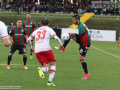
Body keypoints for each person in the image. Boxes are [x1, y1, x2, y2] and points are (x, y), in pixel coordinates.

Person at [27, 19, 63, 86]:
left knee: (46, 66)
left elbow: (29, 39)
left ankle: (42, 70)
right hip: (46, 49)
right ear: (48, 24)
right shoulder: (49, 29)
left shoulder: (36, 30)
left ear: (41, 24)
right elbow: (56, 38)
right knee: (53, 64)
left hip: (37, 50)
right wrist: (61, 45)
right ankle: (49, 81)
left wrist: (31, 48)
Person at [55, 15, 91, 79]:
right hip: (81, 39)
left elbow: (85, 37)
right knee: (70, 34)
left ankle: (87, 74)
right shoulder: (80, 25)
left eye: (73, 20)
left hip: (85, 42)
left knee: (81, 58)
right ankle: (63, 47)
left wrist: (86, 46)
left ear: (77, 20)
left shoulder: (81, 27)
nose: (72, 21)